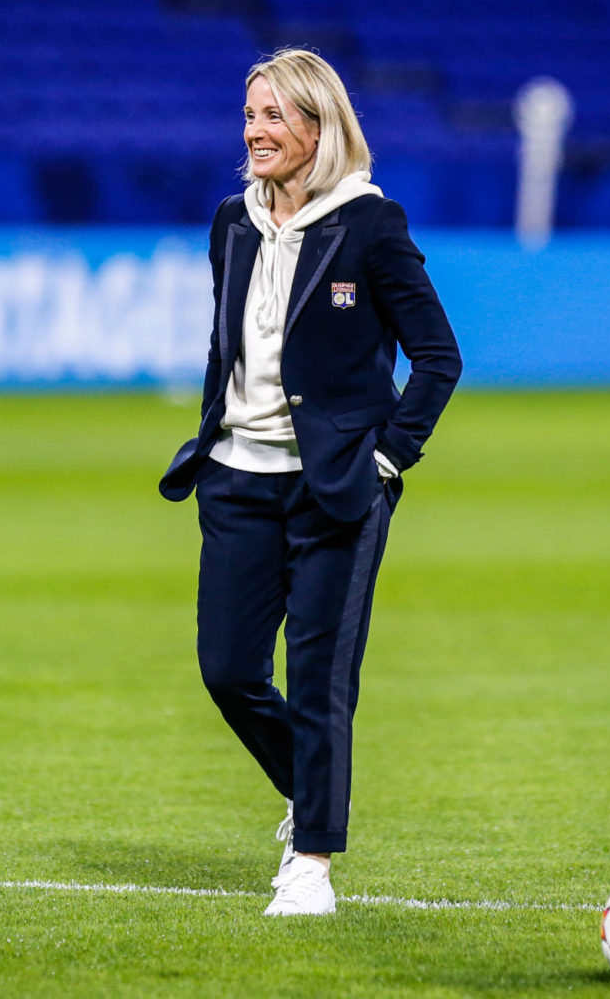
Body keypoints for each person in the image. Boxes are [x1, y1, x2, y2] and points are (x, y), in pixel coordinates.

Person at [159, 48, 461, 916]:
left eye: (275, 118)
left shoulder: (371, 224)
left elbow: (438, 359)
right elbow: (232, 346)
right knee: (228, 671)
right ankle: (310, 793)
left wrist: (386, 457)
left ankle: (313, 864)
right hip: (236, 479)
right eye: (249, 116)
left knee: (322, 675)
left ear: (319, 130)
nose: (255, 132)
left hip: (337, 487)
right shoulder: (231, 221)